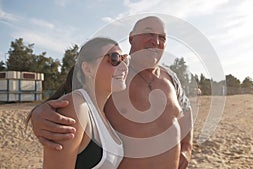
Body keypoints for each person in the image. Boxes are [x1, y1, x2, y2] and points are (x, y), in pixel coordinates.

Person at [29, 16, 193, 169]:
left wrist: (187, 146)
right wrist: (38, 114)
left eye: (162, 37)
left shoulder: (171, 79)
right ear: (131, 38)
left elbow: (186, 111)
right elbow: (70, 102)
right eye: (148, 33)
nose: (156, 41)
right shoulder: (111, 79)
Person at [30, 37, 130, 169]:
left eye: (125, 59)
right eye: (115, 58)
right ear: (87, 69)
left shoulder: (103, 112)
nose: (124, 66)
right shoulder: (76, 106)